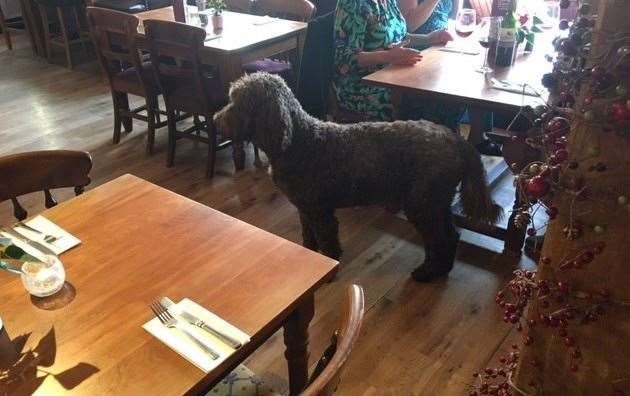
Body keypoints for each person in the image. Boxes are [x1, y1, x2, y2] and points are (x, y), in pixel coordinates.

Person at [333, 0, 452, 121]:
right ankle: (421, 138)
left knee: (444, 95)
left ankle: (438, 137)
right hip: (363, 85)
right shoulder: (353, 3)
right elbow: (343, 58)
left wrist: (429, 38)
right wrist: (389, 56)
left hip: (391, 75)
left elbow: (399, 36)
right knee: (434, 101)